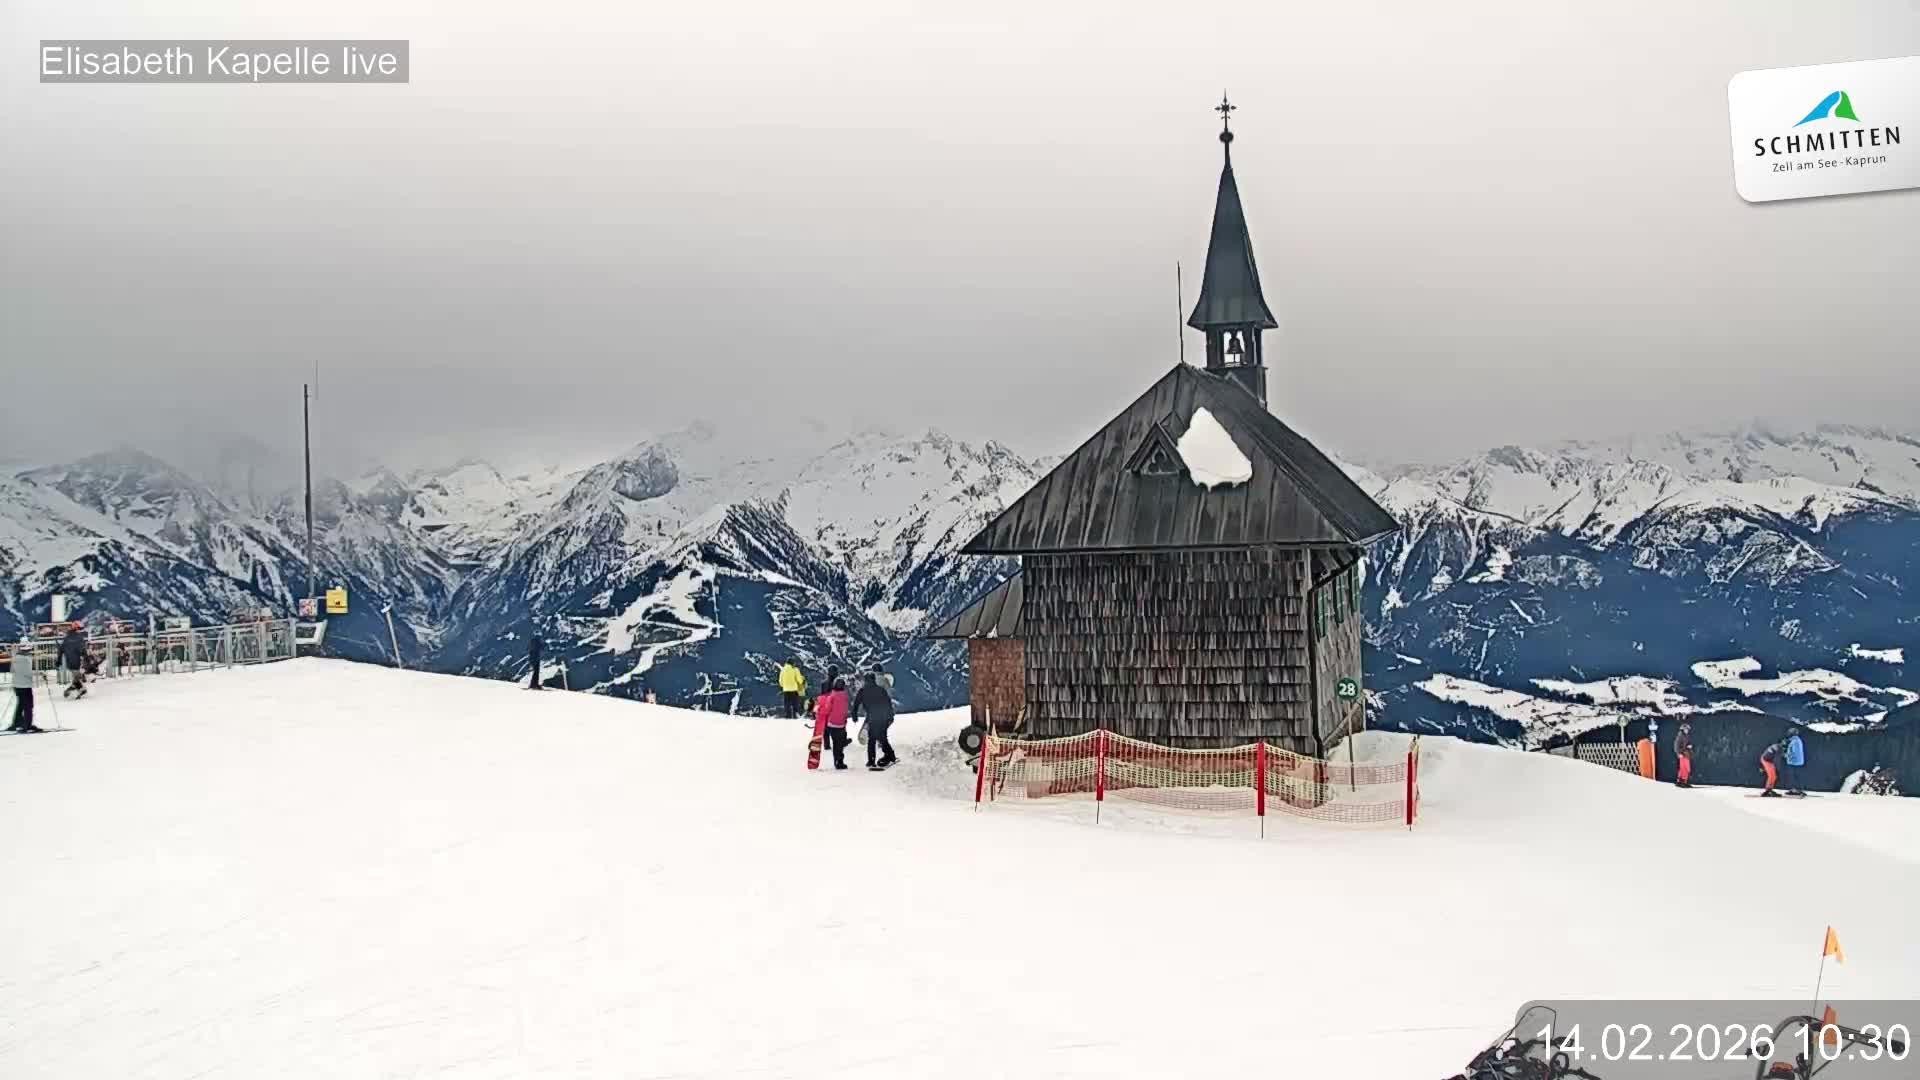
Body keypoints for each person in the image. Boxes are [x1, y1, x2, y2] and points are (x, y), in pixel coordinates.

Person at [853, 667, 897, 770]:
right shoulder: (881, 690)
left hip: (872, 717)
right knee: (882, 737)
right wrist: (890, 716)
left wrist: (854, 715)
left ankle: (871, 761)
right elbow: (888, 704)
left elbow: (856, 704)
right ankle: (890, 755)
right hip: (883, 717)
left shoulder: (862, 691)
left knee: (872, 739)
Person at [814, 676, 852, 770]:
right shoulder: (846, 696)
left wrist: (819, 711)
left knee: (835, 743)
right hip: (842, 723)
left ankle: (837, 761)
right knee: (840, 742)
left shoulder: (832, 696)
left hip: (832, 723)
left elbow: (827, 710)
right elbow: (846, 709)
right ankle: (840, 759)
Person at [7, 642, 41, 734]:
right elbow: (28, 673)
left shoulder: (15, 658)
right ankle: (27, 725)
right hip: (25, 686)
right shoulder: (26, 659)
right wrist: (39, 674)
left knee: (21, 704)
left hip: (17, 685)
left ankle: (17, 723)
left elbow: (11, 670)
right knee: (28, 706)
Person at [59, 624, 87, 699]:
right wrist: (86, 657)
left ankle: (78, 689)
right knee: (77, 676)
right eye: (80, 629)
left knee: (77, 676)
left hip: (70, 661)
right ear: (76, 629)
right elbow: (82, 649)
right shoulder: (79, 637)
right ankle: (75, 690)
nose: (81, 630)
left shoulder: (67, 637)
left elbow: (61, 649)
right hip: (76, 660)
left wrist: (59, 660)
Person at [1782, 727, 1806, 795]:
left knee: (1793, 777)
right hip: (1797, 762)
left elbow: (1794, 752)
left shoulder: (1795, 741)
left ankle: (1796, 790)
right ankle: (1796, 790)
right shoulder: (1797, 740)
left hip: (1794, 762)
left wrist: (1786, 755)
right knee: (1796, 777)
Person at [1674, 722, 1694, 788]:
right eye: (1686, 729)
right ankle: (1681, 782)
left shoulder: (1686, 736)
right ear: (1683, 729)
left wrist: (1689, 746)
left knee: (1686, 769)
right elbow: (1676, 746)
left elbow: (1687, 744)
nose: (1687, 730)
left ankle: (1683, 782)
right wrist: (1679, 753)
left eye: (1688, 729)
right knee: (1684, 768)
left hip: (1686, 754)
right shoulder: (1680, 736)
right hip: (1683, 754)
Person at [527, 627, 544, 691]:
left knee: (535, 671)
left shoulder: (533, 640)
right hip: (536, 657)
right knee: (536, 672)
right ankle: (534, 684)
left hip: (533, 657)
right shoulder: (538, 640)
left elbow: (530, 648)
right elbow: (541, 648)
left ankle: (534, 684)